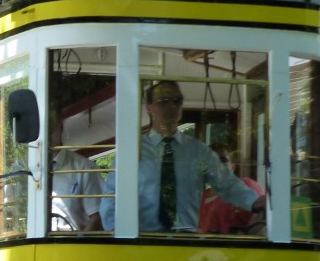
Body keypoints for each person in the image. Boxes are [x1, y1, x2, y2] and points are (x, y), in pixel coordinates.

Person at [99, 80, 265, 232]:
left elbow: (227, 183)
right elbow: (113, 196)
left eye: (177, 101)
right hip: (141, 240)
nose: (171, 106)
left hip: (185, 241)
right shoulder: (132, 151)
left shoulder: (198, 151)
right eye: (164, 101)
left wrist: (254, 201)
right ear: (149, 107)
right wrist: (115, 232)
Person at [49, 113, 104, 231]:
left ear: (60, 127)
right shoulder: (27, 171)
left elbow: (97, 218)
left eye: (50, 125)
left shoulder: (84, 168)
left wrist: (78, 242)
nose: (45, 131)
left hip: (71, 245)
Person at [198, 144, 265, 233]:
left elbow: (261, 224)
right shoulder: (201, 197)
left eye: (223, 161)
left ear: (232, 167)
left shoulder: (247, 186)